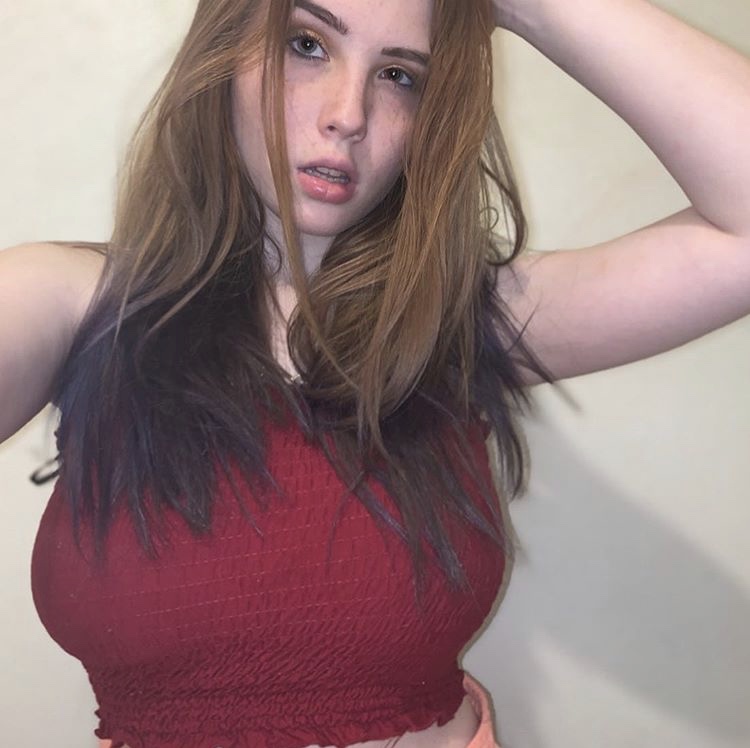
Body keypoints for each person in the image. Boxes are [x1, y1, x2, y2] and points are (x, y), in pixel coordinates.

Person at [1, 0, 749, 746]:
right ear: (223, 52)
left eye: (399, 76)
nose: (348, 115)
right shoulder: (75, 304)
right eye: (306, 44)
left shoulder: (459, 324)